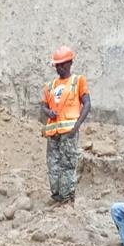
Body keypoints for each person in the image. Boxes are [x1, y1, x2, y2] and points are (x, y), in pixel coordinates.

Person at [42, 45, 91, 204]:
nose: (60, 68)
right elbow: (43, 105)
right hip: (53, 132)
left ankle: (67, 198)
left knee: (68, 164)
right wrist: (48, 112)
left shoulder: (78, 81)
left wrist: (76, 127)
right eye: (57, 65)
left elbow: (87, 103)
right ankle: (56, 196)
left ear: (70, 63)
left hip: (69, 131)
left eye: (62, 64)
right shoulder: (50, 85)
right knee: (53, 164)